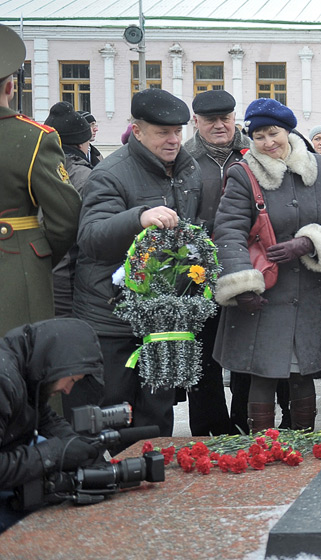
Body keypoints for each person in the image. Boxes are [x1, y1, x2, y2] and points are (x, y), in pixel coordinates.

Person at [212, 99, 321, 432]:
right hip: (265, 293)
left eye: (273, 133)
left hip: (310, 293)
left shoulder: (319, 167)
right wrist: (242, 285)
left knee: (303, 375)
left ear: (288, 131)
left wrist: (310, 242)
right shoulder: (243, 173)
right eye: (259, 136)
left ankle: (303, 445)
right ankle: (262, 449)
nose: (267, 142)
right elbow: (229, 230)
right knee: (263, 375)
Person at [71, 89, 200, 435]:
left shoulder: (188, 168)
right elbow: (91, 237)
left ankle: (155, 468)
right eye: (163, 132)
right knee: (114, 411)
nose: (174, 140)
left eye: (178, 131)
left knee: (158, 412)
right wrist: (138, 218)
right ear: (138, 131)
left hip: (164, 316)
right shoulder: (111, 173)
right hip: (113, 317)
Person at [0, 26, 81, 335]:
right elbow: (66, 216)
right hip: (14, 269)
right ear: (11, 87)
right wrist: (34, 254)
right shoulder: (35, 138)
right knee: (17, 354)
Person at [181, 89, 250, 435]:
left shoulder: (252, 151)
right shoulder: (183, 158)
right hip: (197, 272)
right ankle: (210, 429)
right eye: (211, 120)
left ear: (235, 117)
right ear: (196, 121)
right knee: (203, 353)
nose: (220, 125)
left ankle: (245, 421)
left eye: (226, 118)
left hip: (246, 266)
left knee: (246, 349)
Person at [0, 319, 105, 532]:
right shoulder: (4, 382)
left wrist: (78, 446)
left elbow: (44, 417)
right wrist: (53, 454)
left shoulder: (29, 365)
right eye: (72, 380)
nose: (68, 390)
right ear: (57, 362)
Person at [42, 105, 94, 318]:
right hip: (68, 280)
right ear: (81, 143)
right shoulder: (84, 177)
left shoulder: (35, 168)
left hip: (37, 274)